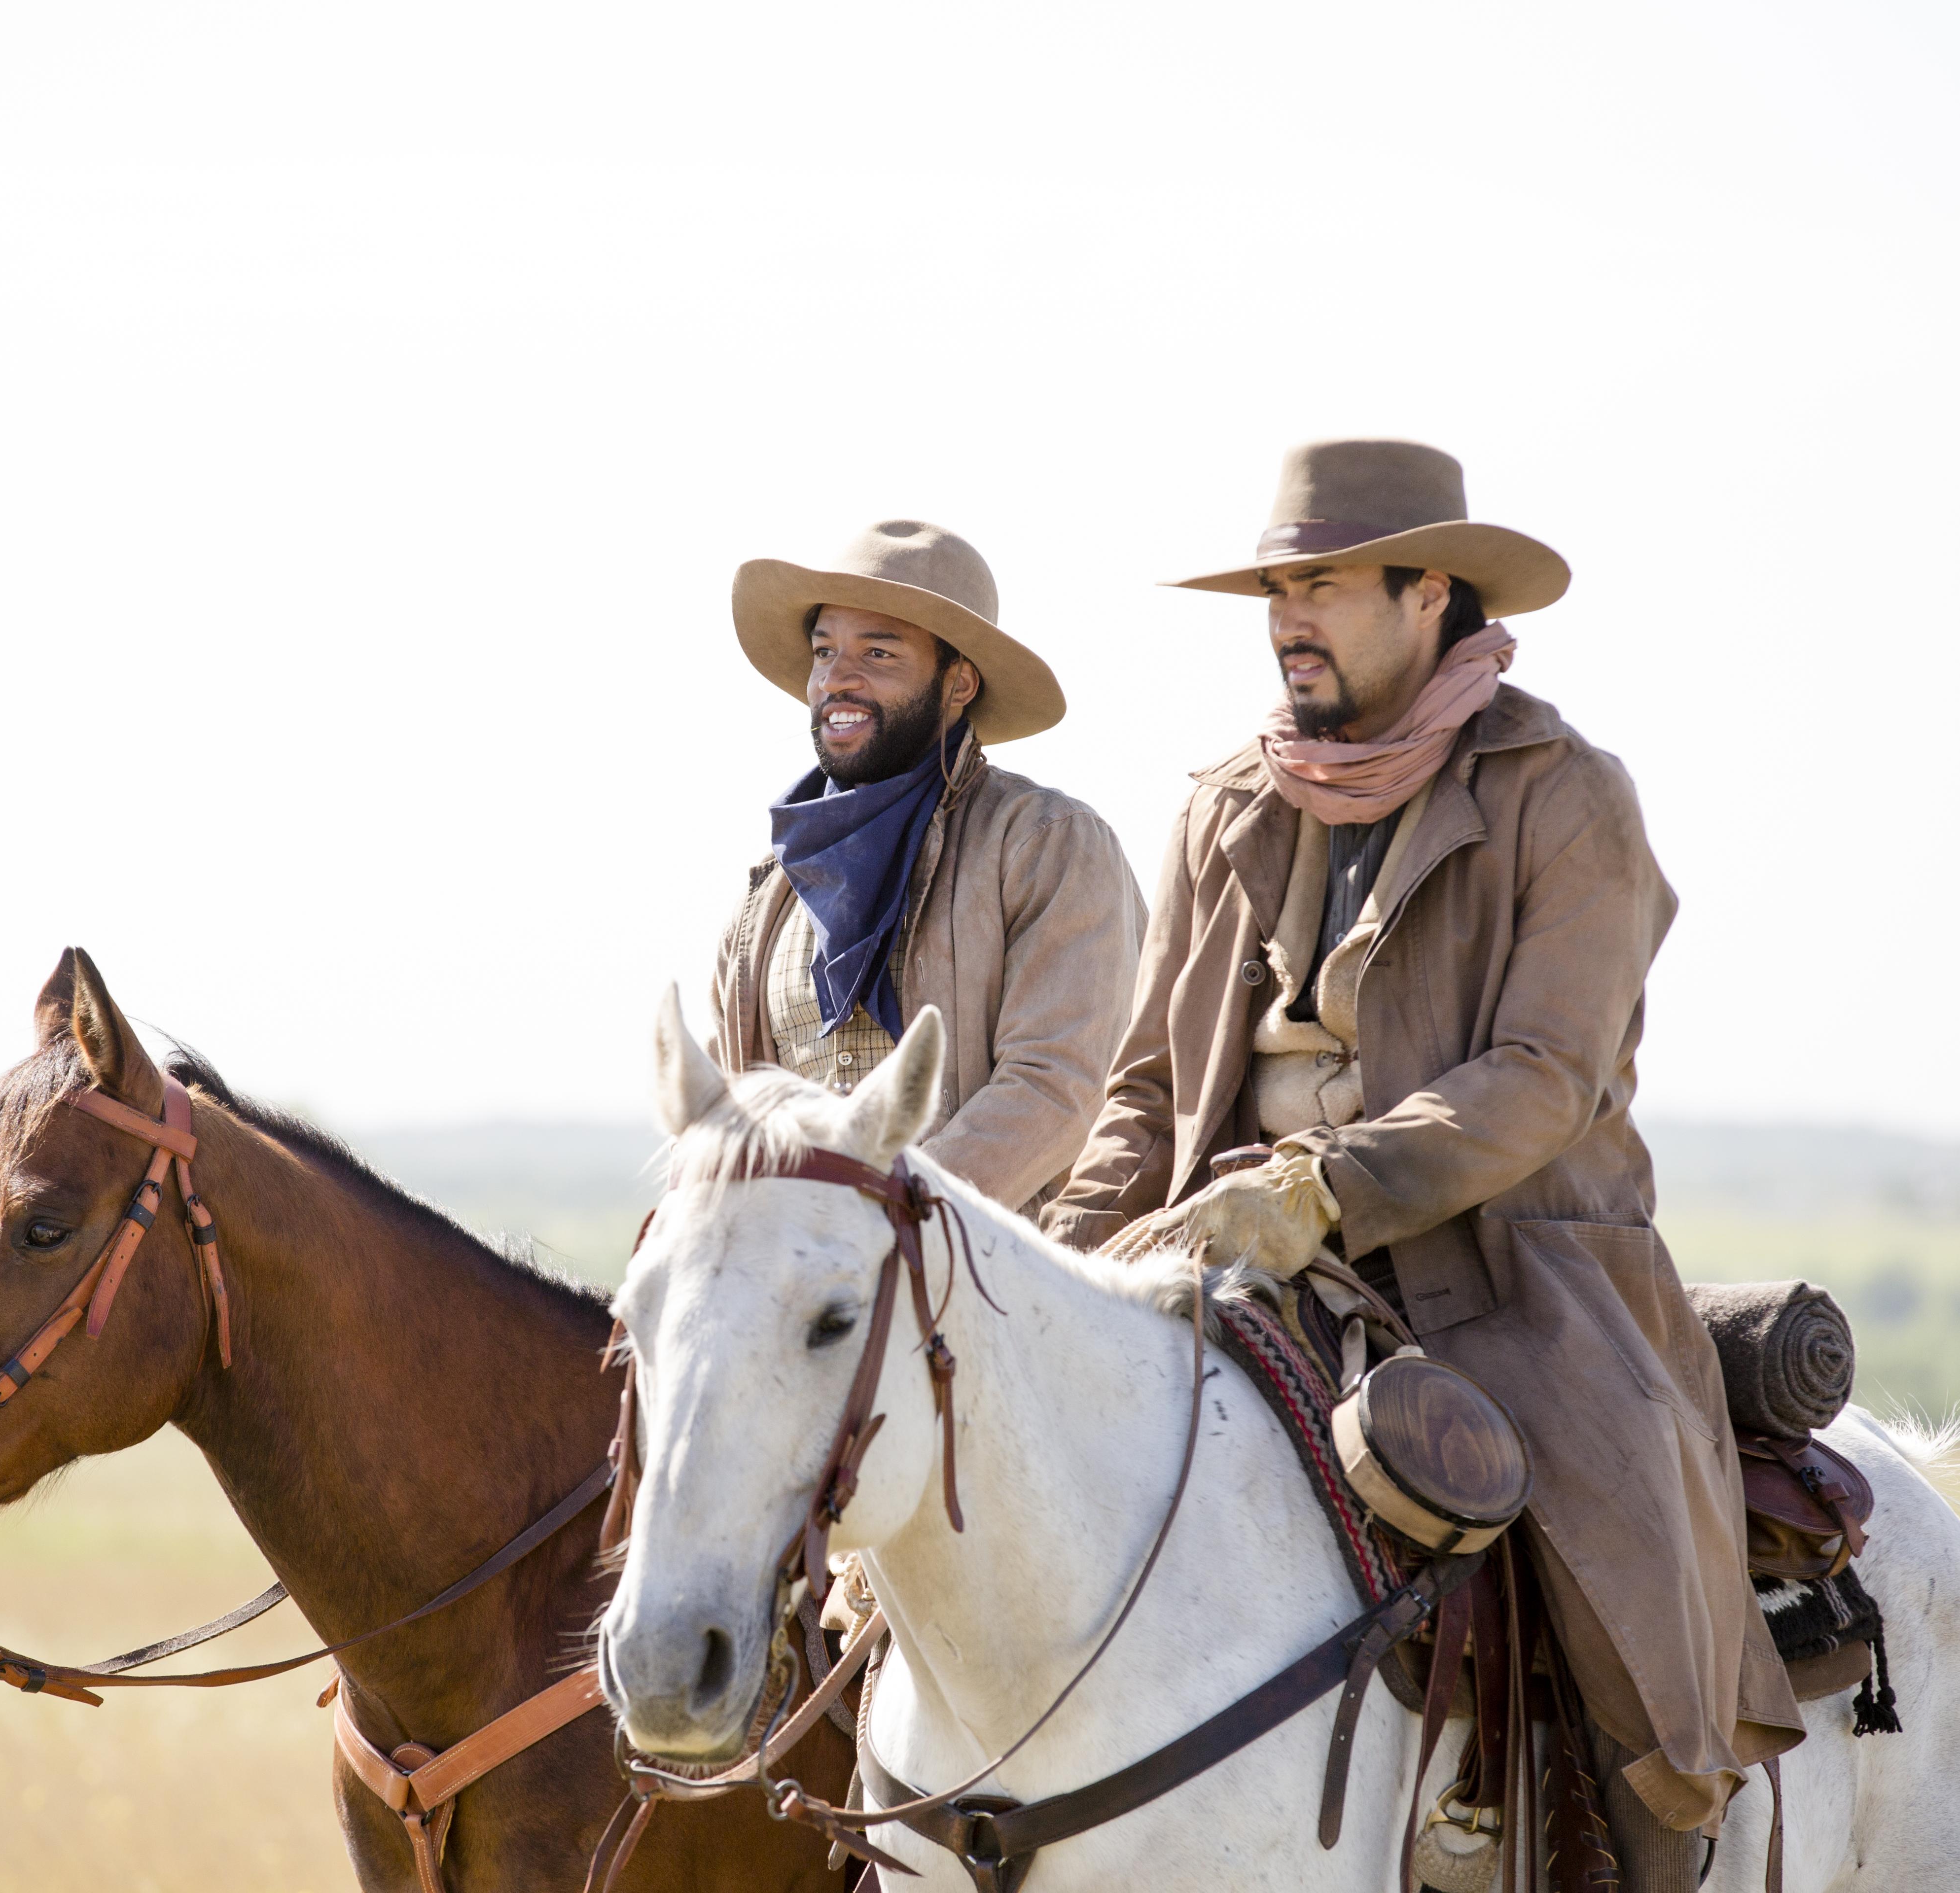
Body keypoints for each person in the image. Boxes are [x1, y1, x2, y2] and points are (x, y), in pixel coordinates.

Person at [1042, 441, 1800, 1887]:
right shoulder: (1228, 802)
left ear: (1429, 591)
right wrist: (1074, 1260)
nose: (1285, 616)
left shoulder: (1568, 795)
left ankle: (1643, 1851)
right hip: (1215, 1247)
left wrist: (1326, 1186)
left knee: (1620, 1594)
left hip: (1511, 1275)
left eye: (1319, 583)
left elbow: (1545, 1079)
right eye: (1275, 586)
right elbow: (1145, 1086)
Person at [711, 519, 1146, 1214]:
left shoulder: (1047, 841)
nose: (837, 680)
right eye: (825, 652)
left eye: (878, 653)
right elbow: (730, 1110)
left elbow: (1059, 1085)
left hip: (1007, 1280)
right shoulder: (772, 894)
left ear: (960, 682)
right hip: (810, 1291)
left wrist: (882, 1220)